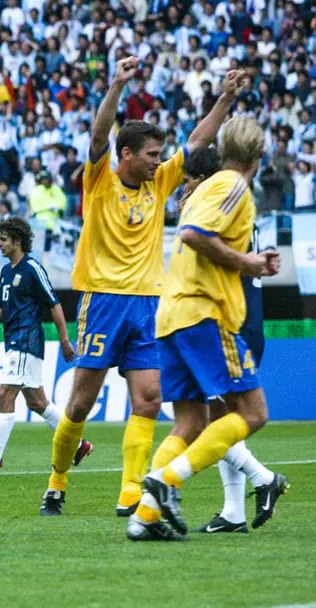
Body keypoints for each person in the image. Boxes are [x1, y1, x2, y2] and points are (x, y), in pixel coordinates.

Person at [40, 60, 243, 517]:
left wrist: (225, 98)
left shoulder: (161, 182)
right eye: (151, 154)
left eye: (160, 155)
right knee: (80, 402)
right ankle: (56, 481)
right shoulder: (100, 182)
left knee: (149, 399)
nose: (159, 161)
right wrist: (117, 84)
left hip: (149, 304)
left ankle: (130, 492)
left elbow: (198, 142)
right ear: (126, 154)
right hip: (103, 300)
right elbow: (97, 139)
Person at [127, 116, 283, 541]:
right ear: (257, 155)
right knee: (252, 413)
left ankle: (144, 517)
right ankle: (168, 481)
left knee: (190, 423)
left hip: (172, 314)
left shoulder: (199, 191)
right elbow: (195, 235)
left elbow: (192, 230)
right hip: (203, 314)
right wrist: (250, 262)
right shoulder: (232, 186)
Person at [168, 147, 288, 535]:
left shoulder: (217, 205)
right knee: (219, 417)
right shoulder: (229, 202)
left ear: (202, 180)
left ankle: (261, 479)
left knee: (213, 419)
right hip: (235, 319)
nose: (183, 189)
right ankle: (236, 508)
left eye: (187, 181)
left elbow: (206, 251)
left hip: (231, 321)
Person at [0, 217, 90, 468]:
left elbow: (55, 304)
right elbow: (1, 307)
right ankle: (78, 444)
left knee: (5, 393)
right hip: (14, 340)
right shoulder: (7, 271)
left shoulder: (32, 268)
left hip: (26, 339)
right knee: (37, 402)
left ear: (17, 241)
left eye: (3, 239)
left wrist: (64, 340)